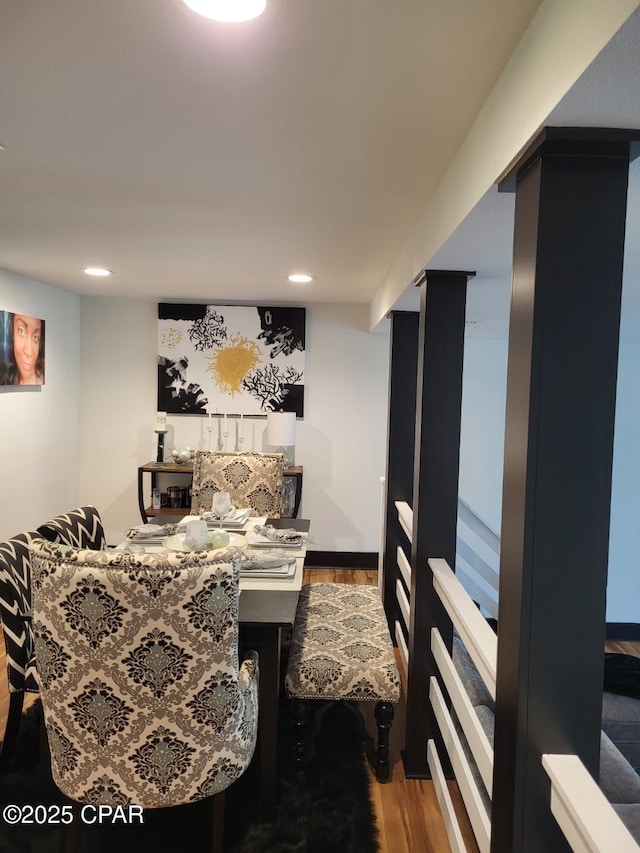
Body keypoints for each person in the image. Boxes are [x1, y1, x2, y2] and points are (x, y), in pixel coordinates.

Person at [5, 312, 45, 385]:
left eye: (35, 337)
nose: (29, 352)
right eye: (21, 331)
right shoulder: (8, 375)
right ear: (12, 334)